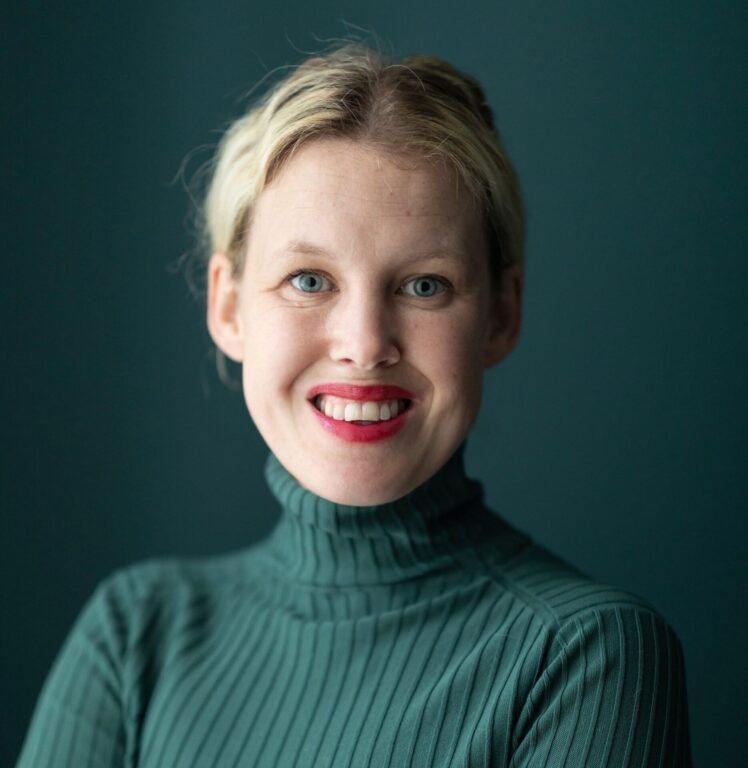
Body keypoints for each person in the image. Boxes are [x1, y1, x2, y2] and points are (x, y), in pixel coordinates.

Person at [16, 43, 692, 767]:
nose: (365, 345)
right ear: (228, 307)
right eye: (309, 280)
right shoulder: (134, 635)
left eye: (424, 285)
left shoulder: (583, 657)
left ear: (501, 315)